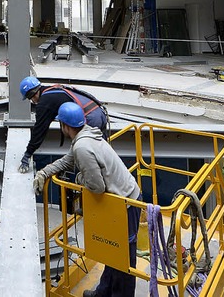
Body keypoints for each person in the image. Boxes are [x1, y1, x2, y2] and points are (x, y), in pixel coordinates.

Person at [33, 102, 142, 297]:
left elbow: (97, 187)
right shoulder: (87, 135)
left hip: (125, 204)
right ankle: (104, 292)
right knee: (112, 251)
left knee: (123, 259)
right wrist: (45, 172)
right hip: (120, 200)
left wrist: (79, 178)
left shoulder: (83, 147)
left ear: (65, 126)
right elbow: (68, 160)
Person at [18, 75, 109, 172]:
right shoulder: (52, 89)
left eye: (30, 98)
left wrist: (28, 153)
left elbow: (39, 130)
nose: (32, 101)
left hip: (91, 119)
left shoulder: (44, 103)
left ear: (33, 94)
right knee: (103, 152)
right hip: (100, 114)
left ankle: (94, 181)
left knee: (87, 155)